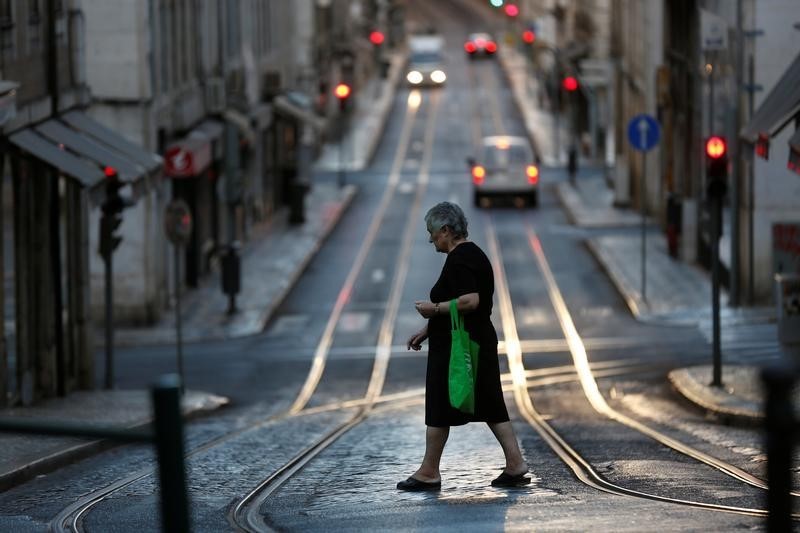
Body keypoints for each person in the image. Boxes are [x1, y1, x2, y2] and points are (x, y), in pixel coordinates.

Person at [398, 201, 529, 491]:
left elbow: (470, 301)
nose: (430, 238)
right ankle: (515, 463)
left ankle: (429, 471)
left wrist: (434, 309)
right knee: (489, 402)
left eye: (432, 232)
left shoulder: (461, 258)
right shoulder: (472, 255)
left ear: (446, 230)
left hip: (460, 347)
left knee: (439, 404)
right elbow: (461, 303)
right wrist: (428, 330)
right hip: (473, 340)